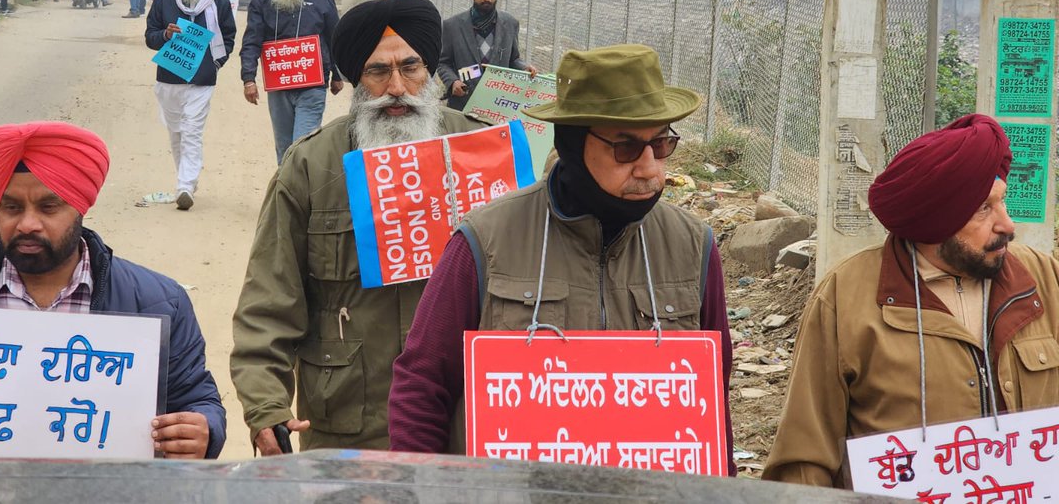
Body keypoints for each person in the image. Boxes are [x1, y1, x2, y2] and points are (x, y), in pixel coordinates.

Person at [387, 44, 735, 473]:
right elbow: (422, 387)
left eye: (662, 144)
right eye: (626, 148)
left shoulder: (692, 246)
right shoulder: (486, 241)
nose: (650, 169)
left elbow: (711, 403)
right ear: (572, 145)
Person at [0, 121, 227, 458]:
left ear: (80, 208)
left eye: (49, 206)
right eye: (12, 208)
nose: (27, 224)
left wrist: (203, 430)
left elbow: (196, 398)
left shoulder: (158, 302)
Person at [231, 0, 489, 455]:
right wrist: (265, 408)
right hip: (347, 426)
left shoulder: (479, 151)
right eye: (378, 72)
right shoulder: (310, 165)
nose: (396, 87)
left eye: (410, 68)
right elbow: (268, 299)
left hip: (460, 427)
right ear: (356, 79)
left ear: (429, 72)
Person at [763, 114, 1059, 488]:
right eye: (983, 209)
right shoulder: (847, 296)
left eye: (1002, 202)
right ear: (935, 222)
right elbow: (805, 456)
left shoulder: (1044, 281)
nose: (1008, 225)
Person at [144, 0, 236, 211]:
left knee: (192, 131)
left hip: (202, 82)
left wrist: (215, 63)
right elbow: (149, 36)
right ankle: (186, 179)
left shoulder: (217, 1)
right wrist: (165, 36)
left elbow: (228, 37)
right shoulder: (164, 0)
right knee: (176, 133)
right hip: (169, 80)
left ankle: (185, 186)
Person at [239, 0, 343, 164]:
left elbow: (335, 36)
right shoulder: (262, 2)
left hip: (313, 84)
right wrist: (249, 79)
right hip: (280, 85)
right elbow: (251, 41)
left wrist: (337, 74)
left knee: (304, 144)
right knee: (285, 147)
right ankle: (286, 193)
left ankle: (303, 194)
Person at [437, 0, 535, 110]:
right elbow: (443, 62)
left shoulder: (510, 24)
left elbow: (513, 59)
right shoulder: (452, 26)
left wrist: (525, 68)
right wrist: (453, 82)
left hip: (498, 103)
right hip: (464, 102)